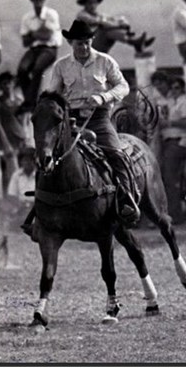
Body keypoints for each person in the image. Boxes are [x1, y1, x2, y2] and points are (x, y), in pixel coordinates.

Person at [46, 19, 140, 226]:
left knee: (116, 154)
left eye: (88, 42)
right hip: (71, 120)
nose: (85, 47)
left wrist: (103, 97)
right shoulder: (61, 66)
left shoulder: (105, 61)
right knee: (49, 155)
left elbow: (123, 86)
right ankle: (41, 210)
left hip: (98, 118)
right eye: (80, 43)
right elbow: (52, 93)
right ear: (71, 43)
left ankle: (127, 201)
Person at [17, 0, 62, 113]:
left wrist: (32, 34)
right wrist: (40, 32)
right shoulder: (27, 17)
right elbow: (25, 42)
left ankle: (30, 102)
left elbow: (47, 36)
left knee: (37, 68)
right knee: (22, 69)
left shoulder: (51, 14)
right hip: (34, 50)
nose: (38, 2)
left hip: (49, 49)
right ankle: (29, 100)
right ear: (31, 0)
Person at [75, 0, 151, 54]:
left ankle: (135, 41)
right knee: (105, 29)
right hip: (86, 46)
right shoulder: (82, 15)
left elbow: (114, 20)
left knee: (111, 27)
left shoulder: (100, 15)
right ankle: (135, 42)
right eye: (89, 3)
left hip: (98, 46)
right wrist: (119, 25)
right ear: (84, 4)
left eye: (94, 2)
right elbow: (101, 23)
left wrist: (123, 23)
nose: (92, 5)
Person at [159, 76, 186, 224]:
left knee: (170, 178)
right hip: (168, 140)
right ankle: (176, 210)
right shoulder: (169, 103)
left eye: (177, 88)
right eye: (172, 88)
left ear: (182, 89)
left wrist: (169, 123)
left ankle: (176, 214)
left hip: (178, 141)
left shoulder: (185, 102)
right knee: (171, 179)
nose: (174, 91)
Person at [0, 72, 27, 151]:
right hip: (5, 135)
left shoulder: (19, 101)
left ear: (13, 84)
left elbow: (23, 120)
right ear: (0, 86)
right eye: (4, 83)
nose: (7, 86)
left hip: (19, 135)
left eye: (9, 83)